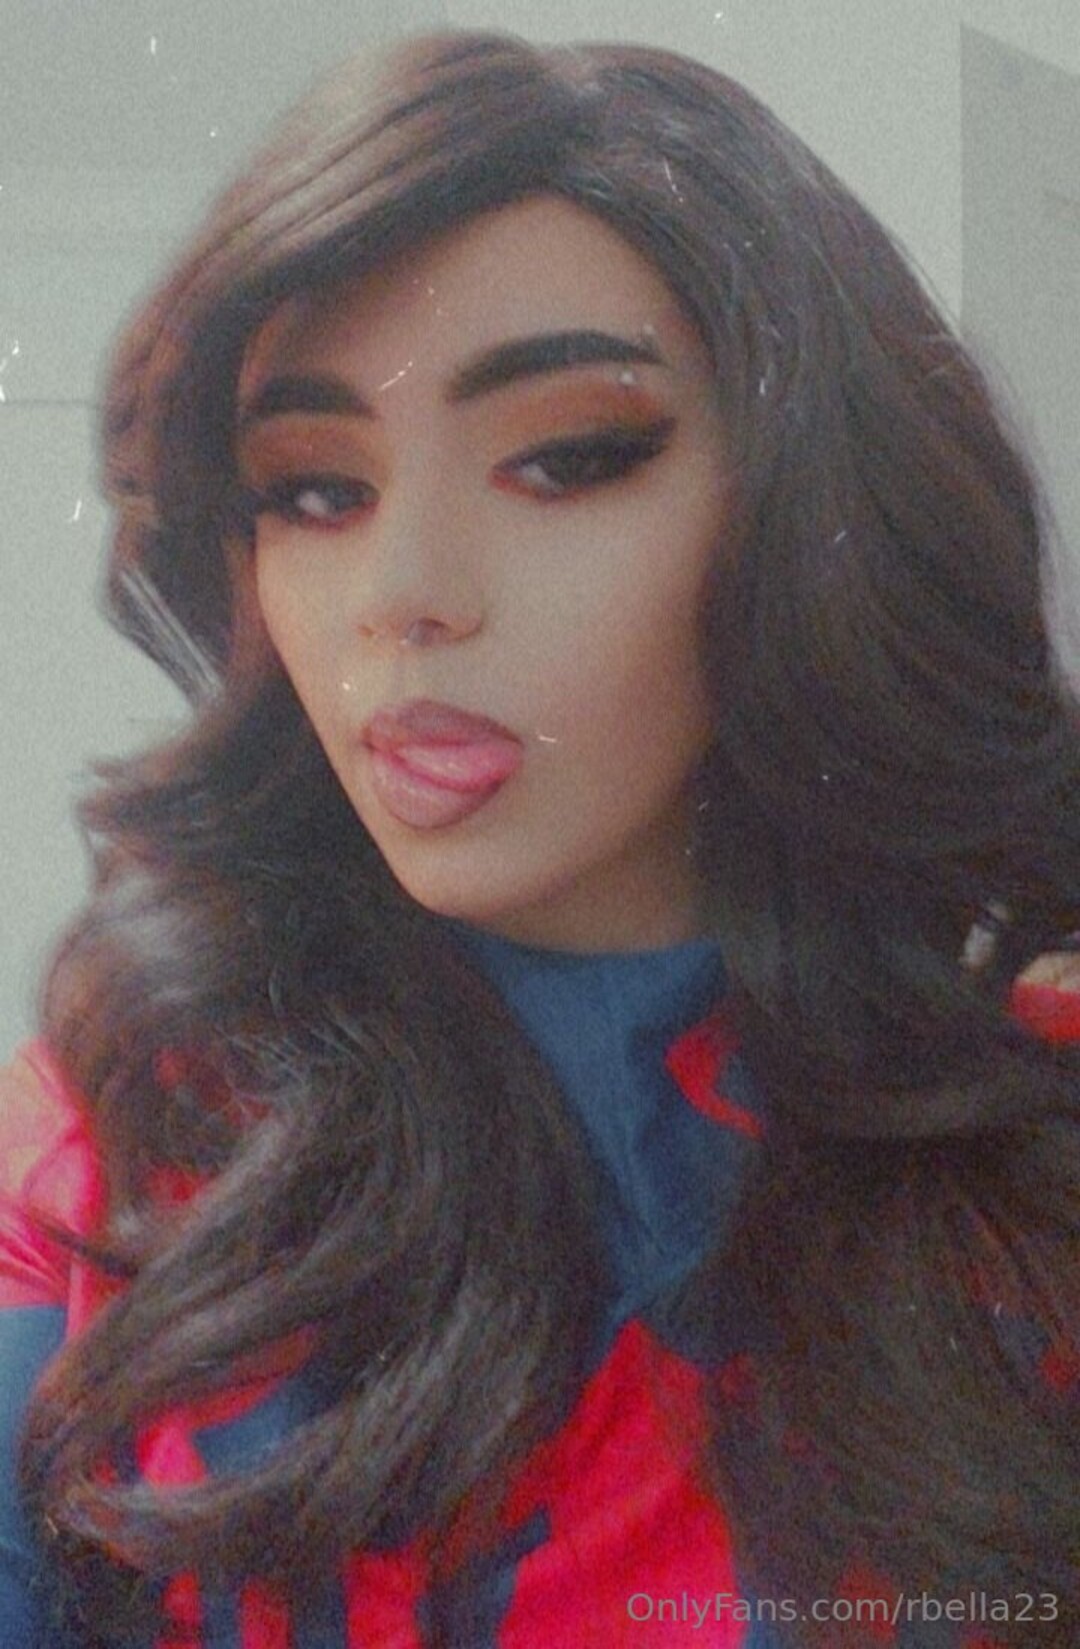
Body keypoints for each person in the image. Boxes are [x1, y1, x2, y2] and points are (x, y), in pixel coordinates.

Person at [1, 25, 1079, 1648]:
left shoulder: (1031, 1156)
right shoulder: (111, 1154)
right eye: (314, 489)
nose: (402, 593)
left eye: (567, 460)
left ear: (806, 510)